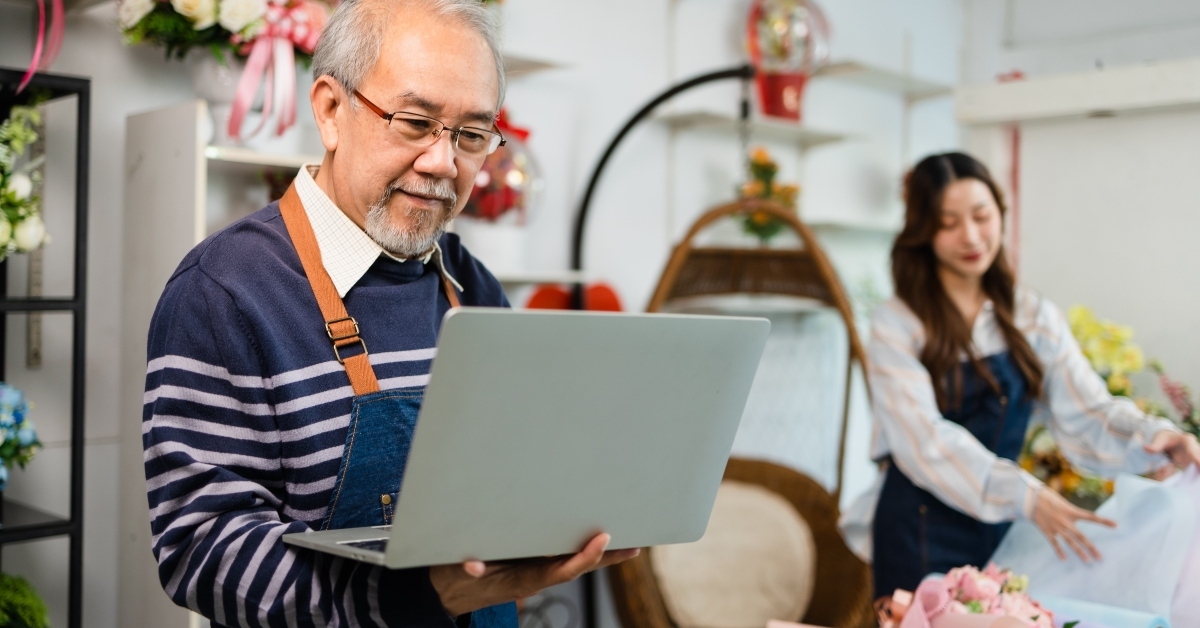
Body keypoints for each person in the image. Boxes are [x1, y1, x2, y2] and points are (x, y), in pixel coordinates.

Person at [140, 1, 636, 626]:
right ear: (329, 110)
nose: (443, 164)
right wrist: (417, 598)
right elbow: (200, 549)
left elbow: (514, 478)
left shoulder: (469, 283)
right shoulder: (223, 292)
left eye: (471, 135)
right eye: (414, 121)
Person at [865, 152, 1200, 598]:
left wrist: (1158, 438)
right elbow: (924, 441)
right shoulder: (897, 324)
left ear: (1000, 215)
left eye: (982, 217)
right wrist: (1026, 494)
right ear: (922, 231)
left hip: (1001, 530)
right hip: (918, 533)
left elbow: (1087, 411)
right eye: (948, 223)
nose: (970, 236)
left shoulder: (1031, 315)